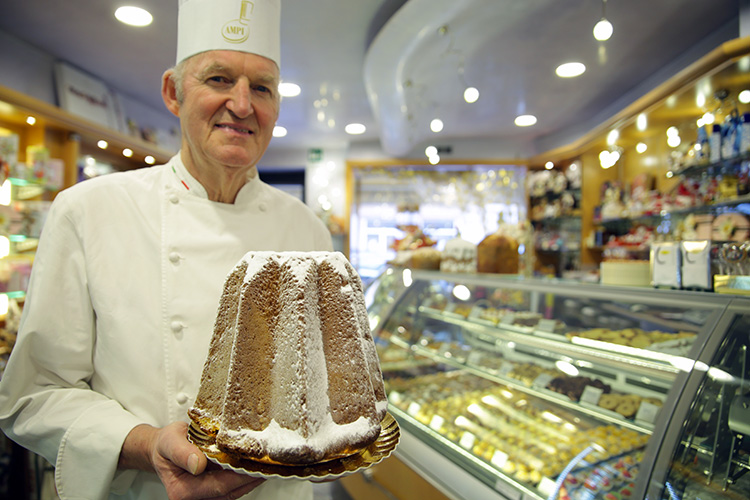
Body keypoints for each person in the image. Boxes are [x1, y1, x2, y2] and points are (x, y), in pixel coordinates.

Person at [0, 0, 333, 498]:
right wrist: (145, 442)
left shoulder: (308, 232)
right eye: (219, 79)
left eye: (261, 87)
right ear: (173, 93)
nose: (242, 105)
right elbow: (33, 395)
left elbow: (320, 389)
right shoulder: (88, 211)